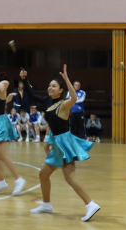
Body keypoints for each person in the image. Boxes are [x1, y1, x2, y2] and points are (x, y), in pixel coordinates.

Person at [25, 66, 100, 221]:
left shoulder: (64, 104)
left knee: (70, 177)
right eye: (49, 85)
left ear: (60, 91)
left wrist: (66, 79)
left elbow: (74, 98)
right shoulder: (48, 102)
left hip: (65, 143)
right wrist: (25, 79)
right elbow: (31, 94)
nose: (50, 87)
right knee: (43, 174)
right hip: (56, 143)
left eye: (54, 86)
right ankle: (46, 204)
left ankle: (91, 204)